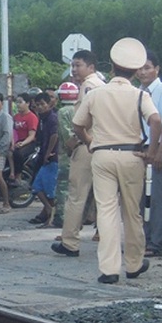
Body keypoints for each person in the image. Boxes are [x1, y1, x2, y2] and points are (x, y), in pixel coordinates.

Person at [72, 37, 161, 284]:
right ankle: (133, 264)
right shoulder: (139, 95)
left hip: (102, 155)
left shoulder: (96, 94)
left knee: (107, 211)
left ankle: (109, 269)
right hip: (132, 155)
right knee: (132, 212)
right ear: (135, 70)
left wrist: (90, 141)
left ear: (111, 67)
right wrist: (152, 150)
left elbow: (77, 124)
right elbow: (155, 120)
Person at [52, 49, 105, 258]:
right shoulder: (103, 86)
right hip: (103, 146)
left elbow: (82, 120)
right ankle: (106, 238)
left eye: (78, 65)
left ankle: (70, 241)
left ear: (91, 67)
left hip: (86, 146)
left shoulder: (88, 87)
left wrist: (76, 140)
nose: (74, 70)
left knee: (76, 195)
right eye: (72, 65)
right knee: (104, 197)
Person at [136, 50, 162, 258]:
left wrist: (160, 152)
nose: (143, 72)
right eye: (140, 68)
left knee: (156, 196)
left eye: (147, 67)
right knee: (141, 198)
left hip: (156, 148)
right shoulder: (137, 92)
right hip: (139, 149)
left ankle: (157, 242)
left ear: (157, 69)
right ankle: (144, 238)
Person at [29, 92, 59, 227]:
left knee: (49, 189)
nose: (40, 107)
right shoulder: (42, 118)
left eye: (42, 104)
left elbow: (55, 136)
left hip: (52, 158)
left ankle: (51, 217)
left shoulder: (52, 118)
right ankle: (48, 209)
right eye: (37, 105)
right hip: (43, 155)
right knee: (36, 186)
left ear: (49, 104)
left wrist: (48, 153)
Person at [52, 81, 80, 228]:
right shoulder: (79, 108)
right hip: (81, 152)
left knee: (63, 186)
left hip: (66, 154)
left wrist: (70, 148)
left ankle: (61, 216)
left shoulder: (62, 112)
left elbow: (65, 133)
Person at [11, 93, 39, 183]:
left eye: (20, 102)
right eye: (17, 102)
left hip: (28, 142)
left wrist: (22, 143)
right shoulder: (16, 117)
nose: (18, 104)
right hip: (16, 141)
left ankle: (18, 175)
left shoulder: (32, 117)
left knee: (18, 153)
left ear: (27, 103)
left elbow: (32, 135)